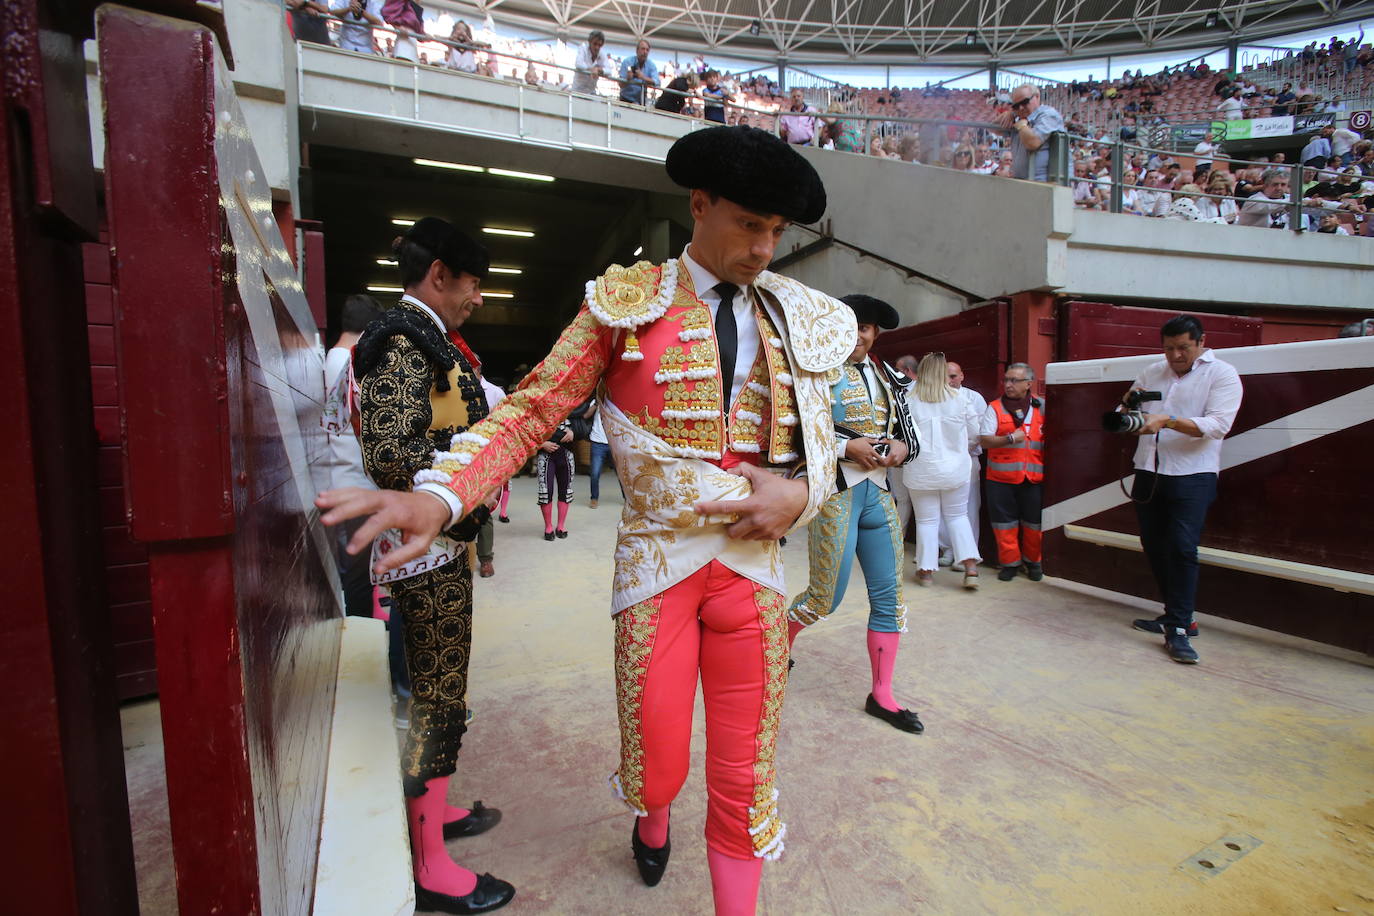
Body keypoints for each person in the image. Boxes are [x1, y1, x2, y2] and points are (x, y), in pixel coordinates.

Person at [317, 125, 854, 916]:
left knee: (746, 777)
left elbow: (823, 445)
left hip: (754, 573)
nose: (765, 247)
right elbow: (533, 410)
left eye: (777, 231)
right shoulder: (625, 304)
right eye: (750, 224)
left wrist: (800, 495)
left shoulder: (794, 315)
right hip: (657, 568)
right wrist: (440, 494)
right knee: (658, 753)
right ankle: (655, 812)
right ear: (699, 207)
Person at [351, 218, 513, 913]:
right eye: (474, 283)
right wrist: (465, 481)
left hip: (441, 544)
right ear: (442, 274)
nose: (478, 297)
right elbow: (390, 454)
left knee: (439, 686)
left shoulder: (422, 338)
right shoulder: (402, 340)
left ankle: (433, 812)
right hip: (428, 551)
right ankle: (432, 867)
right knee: (437, 693)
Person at [787, 294, 922, 734]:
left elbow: (910, 437)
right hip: (835, 494)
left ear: (875, 333)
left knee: (891, 601)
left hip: (879, 495)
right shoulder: (812, 370)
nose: (859, 334)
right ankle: (774, 648)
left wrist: (900, 449)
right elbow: (789, 430)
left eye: (866, 328)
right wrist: (847, 446)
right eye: (851, 326)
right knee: (825, 598)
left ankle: (882, 694)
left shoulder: (890, 378)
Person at [1124, 316, 1243, 665]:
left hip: (1193, 473)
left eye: (1183, 348)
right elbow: (1129, 409)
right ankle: (1176, 614)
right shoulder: (1151, 371)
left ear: (1201, 342)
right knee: (1153, 543)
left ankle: (1178, 627)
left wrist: (1168, 420)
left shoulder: (1221, 373)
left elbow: (1218, 426)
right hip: (1149, 467)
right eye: (1169, 348)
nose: (1175, 355)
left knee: (1181, 547)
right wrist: (1129, 414)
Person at [321, 294, 383, 615]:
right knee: (359, 574)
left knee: (354, 571)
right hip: (355, 483)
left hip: (337, 479)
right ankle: (361, 628)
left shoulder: (327, 359)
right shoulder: (350, 365)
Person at [903, 352, 982, 590]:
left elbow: (903, 436)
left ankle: (925, 572)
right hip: (955, 469)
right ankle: (970, 568)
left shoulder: (909, 400)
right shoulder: (960, 399)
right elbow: (974, 434)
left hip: (920, 470)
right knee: (958, 517)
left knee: (927, 521)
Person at [978, 362, 1044, 582]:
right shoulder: (994, 407)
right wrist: (1009, 438)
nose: (1008, 384)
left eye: (1014, 380)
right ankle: (1010, 564)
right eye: (1006, 380)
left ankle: (1033, 562)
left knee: (1034, 524)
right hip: (1000, 479)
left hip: (1033, 478)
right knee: (1004, 524)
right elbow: (985, 441)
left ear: (1028, 383)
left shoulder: (1041, 407)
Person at [935, 360, 986, 565]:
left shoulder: (974, 398)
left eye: (953, 376)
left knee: (969, 507)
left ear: (962, 376)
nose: (949, 381)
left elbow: (979, 433)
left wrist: (959, 451)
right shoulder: (935, 398)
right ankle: (947, 549)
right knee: (941, 506)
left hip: (967, 459)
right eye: (944, 377)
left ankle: (966, 554)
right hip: (942, 461)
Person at [475, 367, 505, 577]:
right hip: (459, 454)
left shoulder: (495, 393)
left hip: (486, 458)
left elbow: (505, 428)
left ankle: (485, 559)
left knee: (484, 508)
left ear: (477, 368)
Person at [1000, 84, 1064, 182]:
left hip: (1045, 184)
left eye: (1025, 102)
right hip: (1023, 182)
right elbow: (992, 127)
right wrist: (1010, 113)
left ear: (1037, 96)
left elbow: (1032, 143)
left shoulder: (1048, 114)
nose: (1021, 108)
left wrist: (1021, 125)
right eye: (1016, 106)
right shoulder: (1018, 117)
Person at [536, 417, 575, 540]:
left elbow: (580, 424)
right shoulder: (538, 409)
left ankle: (561, 526)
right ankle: (548, 526)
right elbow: (526, 434)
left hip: (566, 454)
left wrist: (572, 432)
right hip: (546, 455)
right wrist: (541, 444)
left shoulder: (570, 407)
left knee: (565, 490)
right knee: (546, 491)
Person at [586, 399, 617, 507]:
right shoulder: (596, 400)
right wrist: (596, 403)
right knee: (595, 473)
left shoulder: (617, 400)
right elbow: (586, 415)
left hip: (614, 443)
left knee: (621, 473)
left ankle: (627, 498)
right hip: (597, 442)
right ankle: (594, 498)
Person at [618, 39, 658, 105]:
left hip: (641, 100)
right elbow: (620, 84)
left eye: (647, 50)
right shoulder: (627, 62)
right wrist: (628, 79)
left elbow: (657, 81)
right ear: (637, 50)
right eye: (643, 49)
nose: (645, 52)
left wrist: (643, 77)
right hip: (625, 99)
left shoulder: (651, 65)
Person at [571, 29, 608, 94]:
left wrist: (598, 70)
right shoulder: (583, 48)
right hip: (577, 90)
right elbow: (578, 63)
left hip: (591, 92)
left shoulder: (602, 54)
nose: (597, 47)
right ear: (589, 42)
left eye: (599, 45)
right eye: (595, 44)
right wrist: (591, 69)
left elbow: (609, 70)